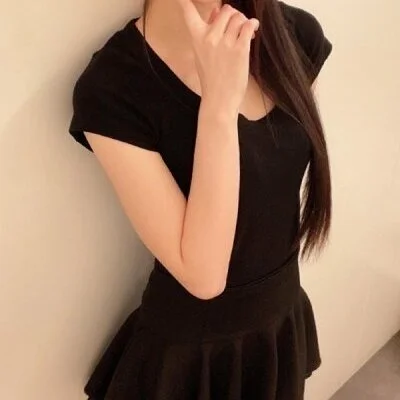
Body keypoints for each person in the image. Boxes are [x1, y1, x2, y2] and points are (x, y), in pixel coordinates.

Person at [68, 0, 333, 398]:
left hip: (278, 329)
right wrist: (219, 107)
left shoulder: (293, 33)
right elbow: (204, 277)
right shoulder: (115, 87)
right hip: (190, 360)